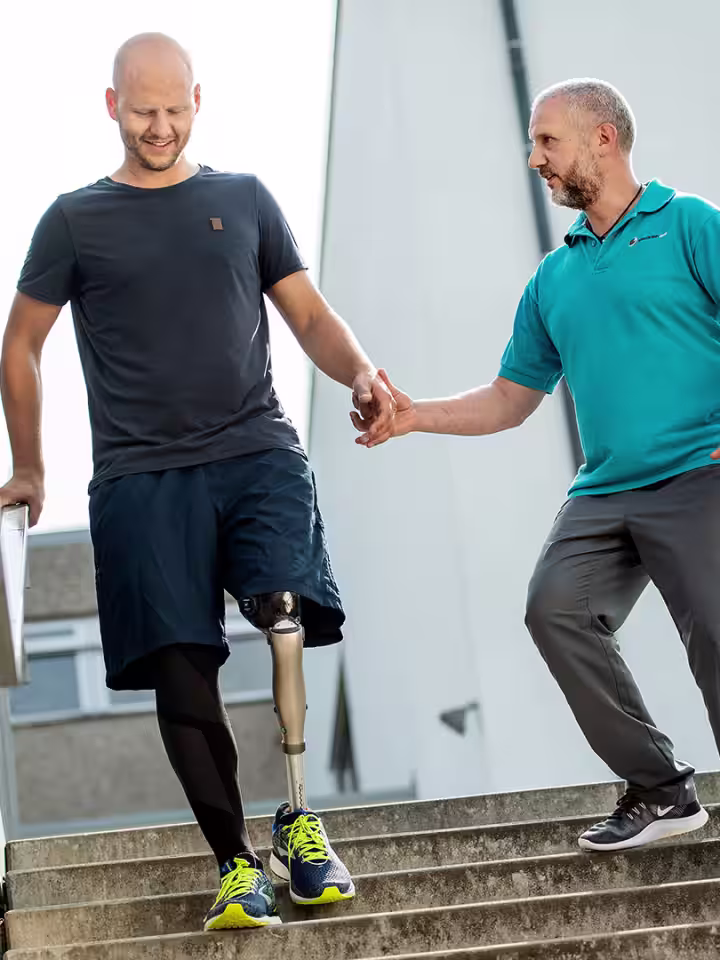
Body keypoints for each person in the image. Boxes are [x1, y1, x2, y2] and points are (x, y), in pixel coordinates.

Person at [0, 33, 395, 930]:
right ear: (111, 107)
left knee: (284, 611)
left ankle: (299, 820)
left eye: (175, 110)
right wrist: (29, 464)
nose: (160, 127)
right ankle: (234, 863)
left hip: (256, 449)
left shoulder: (243, 198)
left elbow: (308, 314)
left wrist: (363, 373)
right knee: (182, 672)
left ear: (198, 100)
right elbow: (20, 344)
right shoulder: (73, 219)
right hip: (141, 477)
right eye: (143, 112)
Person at [356, 78, 720, 853]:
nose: (535, 159)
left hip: (700, 472)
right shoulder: (554, 278)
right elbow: (510, 398)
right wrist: (416, 415)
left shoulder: (689, 224)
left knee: (717, 631)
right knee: (553, 607)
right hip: (606, 490)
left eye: (548, 141)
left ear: (604, 139)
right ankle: (661, 790)